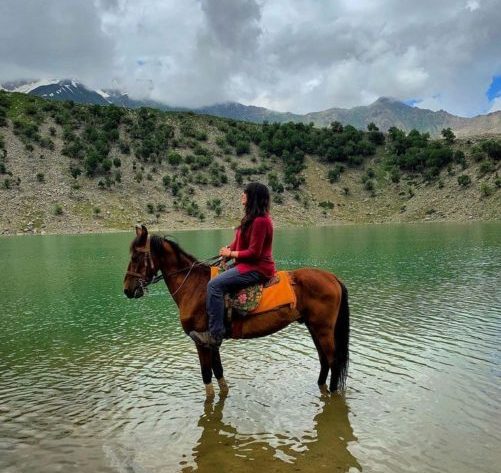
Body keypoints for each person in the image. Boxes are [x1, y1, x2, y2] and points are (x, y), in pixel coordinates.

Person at [190, 182, 276, 347]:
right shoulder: (250, 219)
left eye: (246, 193)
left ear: (254, 197)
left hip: (257, 269)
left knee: (214, 286)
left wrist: (231, 254)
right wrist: (227, 250)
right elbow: (239, 242)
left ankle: (215, 335)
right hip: (246, 265)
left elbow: (254, 253)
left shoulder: (261, 221)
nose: (242, 195)